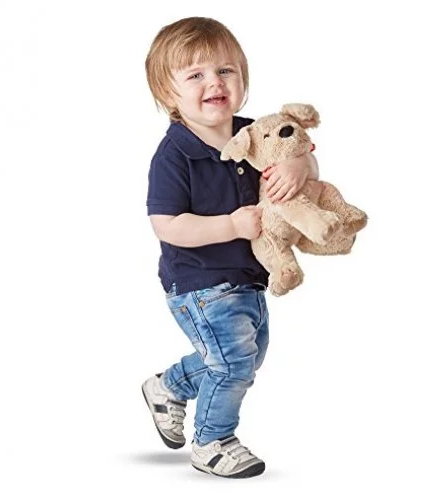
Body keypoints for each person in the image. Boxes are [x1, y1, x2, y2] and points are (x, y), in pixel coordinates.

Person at [141, 17, 319, 478]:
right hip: (198, 281)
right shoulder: (175, 154)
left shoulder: (255, 132)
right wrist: (230, 225)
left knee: (247, 357)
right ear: (168, 94)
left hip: (248, 275)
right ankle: (213, 441)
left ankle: (168, 387)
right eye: (195, 75)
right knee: (233, 364)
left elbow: (299, 152)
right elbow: (167, 225)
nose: (215, 83)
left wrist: (299, 165)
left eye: (225, 71)